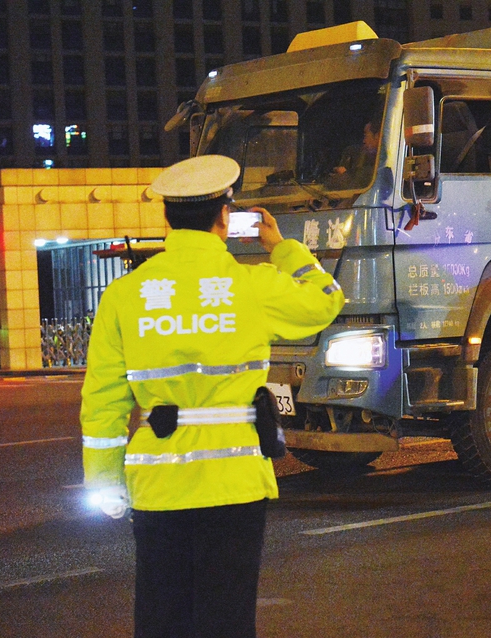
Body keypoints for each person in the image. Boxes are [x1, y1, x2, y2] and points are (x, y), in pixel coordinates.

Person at [80, 154, 345, 637]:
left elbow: (103, 400)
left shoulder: (125, 295)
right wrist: (282, 249)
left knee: (162, 617)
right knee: (226, 618)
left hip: (157, 484)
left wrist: (104, 482)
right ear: (224, 216)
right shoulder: (252, 286)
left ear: (167, 219)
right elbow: (327, 299)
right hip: (234, 483)